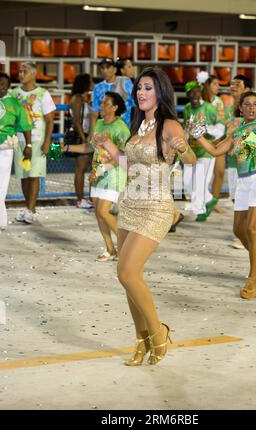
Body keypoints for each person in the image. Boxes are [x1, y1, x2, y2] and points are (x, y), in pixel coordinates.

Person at [97, 67, 196, 365]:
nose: (141, 92)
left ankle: (158, 331)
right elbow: (129, 166)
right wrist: (109, 148)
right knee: (128, 278)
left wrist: (184, 147)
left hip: (155, 208)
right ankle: (141, 340)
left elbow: (189, 159)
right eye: (139, 87)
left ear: (161, 92)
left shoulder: (169, 125)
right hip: (130, 204)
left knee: (127, 273)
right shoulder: (139, 124)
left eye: (148, 88)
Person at [193, 91, 256, 300]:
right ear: (241, 108)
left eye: (255, 104)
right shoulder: (237, 131)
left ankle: (253, 277)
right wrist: (198, 136)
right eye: (248, 105)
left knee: (252, 229)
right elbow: (215, 150)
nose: (252, 108)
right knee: (238, 230)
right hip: (244, 181)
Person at [63, 92, 130, 261]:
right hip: (97, 174)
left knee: (103, 211)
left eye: (105, 103)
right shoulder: (99, 124)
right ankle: (110, 249)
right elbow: (89, 147)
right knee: (98, 214)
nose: (101, 105)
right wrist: (67, 148)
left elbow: (124, 157)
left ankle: (127, 246)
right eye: (101, 103)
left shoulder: (121, 128)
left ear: (114, 108)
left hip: (113, 174)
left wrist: (102, 169)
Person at [11, 62, 56, 224]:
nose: (21, 74)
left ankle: (31, 209)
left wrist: (48, 141)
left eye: (24, 71)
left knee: (34, 175)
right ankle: (29, 208)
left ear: (33, 74)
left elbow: (50, 120)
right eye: (20, 71)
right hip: (19, 140)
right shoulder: (14, 93)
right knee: (23, 176)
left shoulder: (43, 94)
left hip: (37, 139)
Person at [183, 80, 225, 222]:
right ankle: (210, 200)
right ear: (188, 95)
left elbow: (221, 127)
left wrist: (207, 130)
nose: (194, 95)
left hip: (207, 151)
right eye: (191, 92)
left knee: (200, 183)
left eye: (197, 91)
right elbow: (186, 129)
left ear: (200, 92)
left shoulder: (209, 108)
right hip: (192, 151)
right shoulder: (187, 108)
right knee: (187, 183)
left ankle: (202, 209)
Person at [0, 72, 32, 229]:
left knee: (1, 184)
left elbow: (25, 126)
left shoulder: (14, 103)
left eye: (3, 85)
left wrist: (29, 145)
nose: (0, 87)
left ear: (8, 87)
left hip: (5, 148)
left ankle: (1, 221)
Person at [225, 74, 252, 248]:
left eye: (238, 84)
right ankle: (243, 231)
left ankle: (247, 232)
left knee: (245, 198)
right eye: (232, 84)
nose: (233, 87)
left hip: (247, 163)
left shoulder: (251, 109)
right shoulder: (228, 109)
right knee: (235, 198)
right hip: (232, 160)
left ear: (247, 89)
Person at [69, 73, 98, 209]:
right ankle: (80, 199)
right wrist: (83, 137)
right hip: (82, 136)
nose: (92, 83)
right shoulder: (77, 98)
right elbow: (76, 120)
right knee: (80, 169)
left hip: (88, 135)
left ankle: (90, 198)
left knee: (92, 168)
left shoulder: (85, 99)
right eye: (90, 81)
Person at [201, 74, 226, 213]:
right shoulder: (198, 101)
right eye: (215, 84)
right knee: (203, 174)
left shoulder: (219, 102)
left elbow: (220, 122)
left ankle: (214, 201)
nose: (218, 86)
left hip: (217, 141)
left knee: (220, 172)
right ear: (207, 85)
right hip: (202, 142)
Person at [92, 58, 134, 128]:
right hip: (105, 129)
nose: (105, 71)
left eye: (108, 67)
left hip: (124, 128)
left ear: (115, 69)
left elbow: (136, 103)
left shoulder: (125, 82)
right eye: (102, 68)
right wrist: (92, 133)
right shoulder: (97, 88)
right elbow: (95, 112)